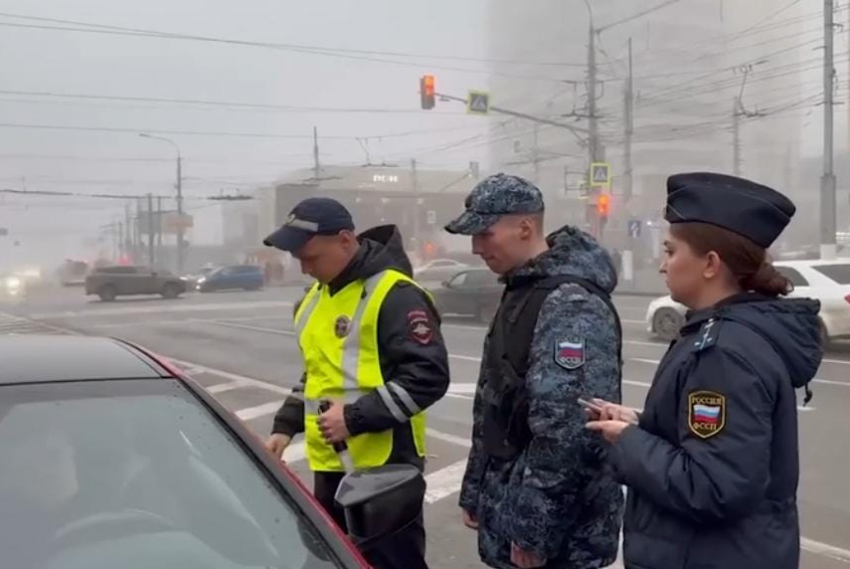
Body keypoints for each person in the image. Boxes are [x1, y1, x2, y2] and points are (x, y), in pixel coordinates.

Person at [586, 172, 823, 569]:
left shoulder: (725, 351)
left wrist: (628, 440)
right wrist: (643, 424)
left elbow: (714, 486)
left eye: (671, 251)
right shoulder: (724, 334)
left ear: (711, 264)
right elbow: (717, 446)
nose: (663, 266)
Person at [446, 173, 623, 569]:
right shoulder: (523, 290)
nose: (475, 247)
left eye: (484, 234)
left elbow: (568, 431)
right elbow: (494, 403)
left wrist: (533, 532)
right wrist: (475, 491)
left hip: (560, 540)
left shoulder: (569, 302)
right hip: (513, 510)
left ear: (525, 227)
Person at [262, 197, 449, 569]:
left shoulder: (394, 294)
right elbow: (317, 374)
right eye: (299, 259)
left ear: (346, 241)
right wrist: (285, 427)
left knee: (392, 564)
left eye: (311, 257)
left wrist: (355, 417)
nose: (304, 268)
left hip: (385, 470)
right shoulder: (313, 300)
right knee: (334, 560)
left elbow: (428, 376)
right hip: (330, 463)